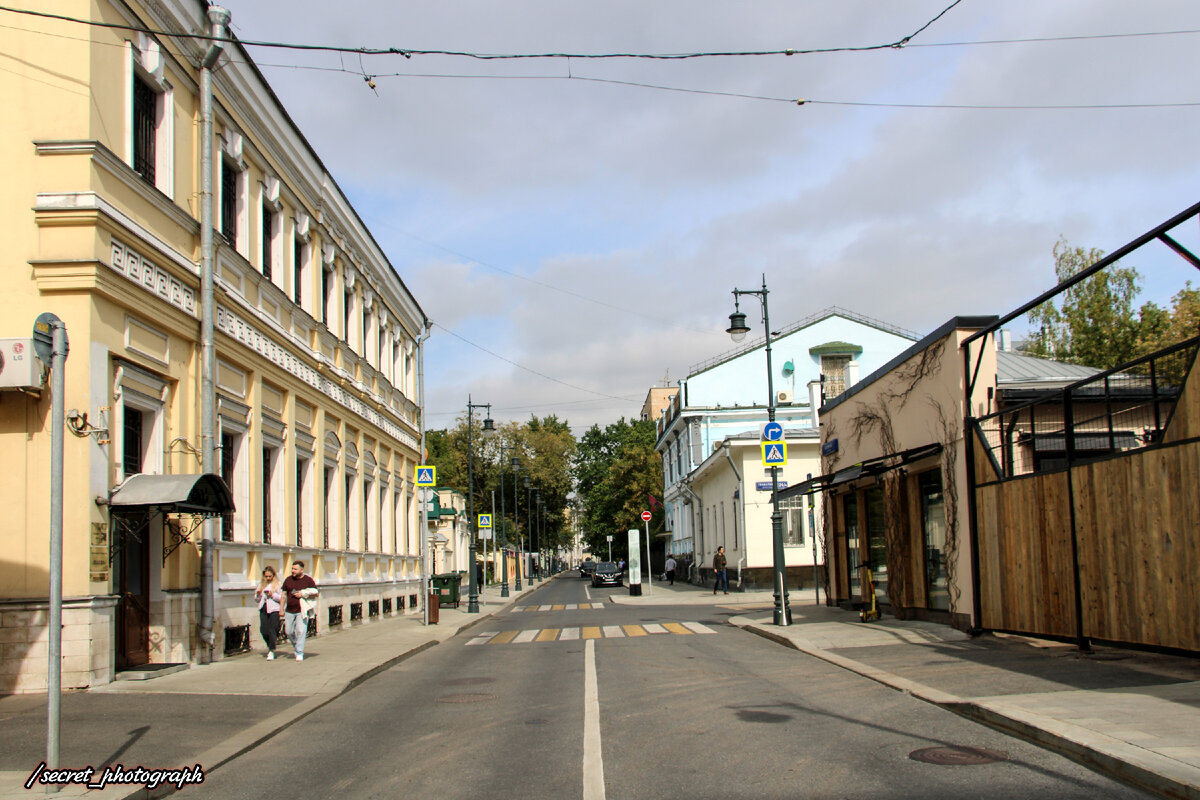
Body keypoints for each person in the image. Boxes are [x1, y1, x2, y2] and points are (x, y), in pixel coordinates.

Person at [281, 560, 318, 661]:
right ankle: (297, 647)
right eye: (292, 569)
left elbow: (316, 593)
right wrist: (281, 609)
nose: (293, 571)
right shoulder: (288, 580)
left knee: (301, 631)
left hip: (301, 611)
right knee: (288, 632)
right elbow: (283, 595)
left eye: (295, 569)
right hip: (289, 610)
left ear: (301, 570)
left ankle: (299, 652)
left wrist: (303, 593)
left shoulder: (308, 580)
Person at [254, 566, 282, 660]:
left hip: (274, 609)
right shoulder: (261, 585)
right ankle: (270, 644)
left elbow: (281, 598)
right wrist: (258, 594)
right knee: (263, 630)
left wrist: (272, 595)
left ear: (273, 576)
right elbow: (257, 600)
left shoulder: (277, 584)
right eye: (266, 576)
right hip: (263, 608)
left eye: (270, 576)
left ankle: (271, 650)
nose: (268, 578)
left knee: (272, 629)